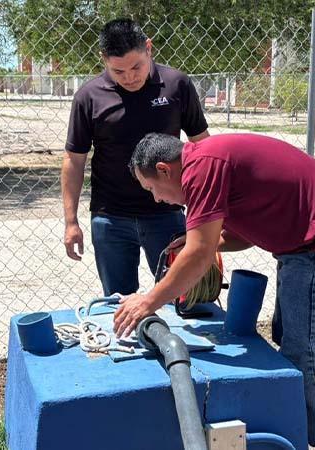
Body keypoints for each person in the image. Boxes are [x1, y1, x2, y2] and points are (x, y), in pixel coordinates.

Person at [114, 132, 315, 450]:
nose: (156, 199)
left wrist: (147, 302)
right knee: (292, 346)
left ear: (165, 169)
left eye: (151, 188)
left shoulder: (201, 169)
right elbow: (240, 236)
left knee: (305, 356)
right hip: (308, 249)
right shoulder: (205, 161)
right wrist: (202, 242)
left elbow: (199, 256)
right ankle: (302, 432)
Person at [61, 18, 210, 296]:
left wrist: (205, 210)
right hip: (111, 218)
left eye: (136, 67)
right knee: (118, 304)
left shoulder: (177, 85)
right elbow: (74, 160)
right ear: (103, 59)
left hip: (167, 215)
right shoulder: (88, 97)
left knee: (183, 298)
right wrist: (71, 222)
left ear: (149, 49)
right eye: (118, 71)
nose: (129, 77)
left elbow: (202, 148)